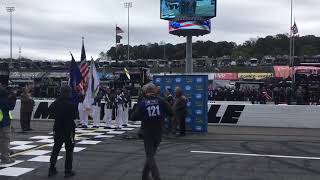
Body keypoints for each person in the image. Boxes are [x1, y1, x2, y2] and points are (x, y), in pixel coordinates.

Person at [131, 83, 173, 180]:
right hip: (159, 131)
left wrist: (141, 111)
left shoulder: (142, 103)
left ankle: (156, 177)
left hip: (147, 131)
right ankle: (145, 176)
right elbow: (171, 112)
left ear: (145, 92)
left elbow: (133, 117)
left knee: (150, 156)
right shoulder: (161, 101)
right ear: (154, 91)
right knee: (151, 155)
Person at [48, 86, 77, 178]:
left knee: (56, 149)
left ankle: (51, 169)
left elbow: (50, 113)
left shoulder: (56, 103)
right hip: (69, 129)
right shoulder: (71, 104)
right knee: (69, 150)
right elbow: (75, 116)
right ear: (69, 93)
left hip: (58, 128)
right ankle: (67, 171)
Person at [0, 87, 16, 164]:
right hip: (4, 122)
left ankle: (5, 153)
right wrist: (13, 97)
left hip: (3, 121)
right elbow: (11, 107)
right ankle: (5, 158)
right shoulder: (4, 100)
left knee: (2, 140)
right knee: (5, 140)